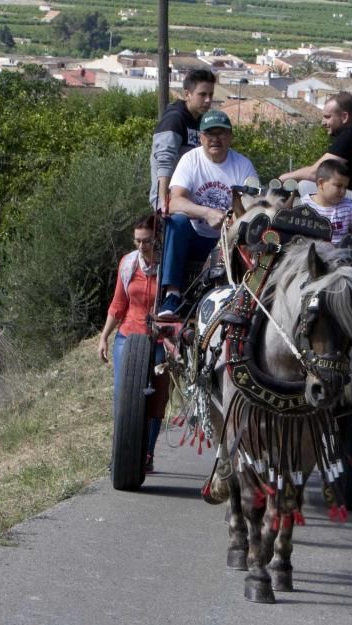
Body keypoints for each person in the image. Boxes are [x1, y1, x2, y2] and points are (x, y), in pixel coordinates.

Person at [157, 111, 257, 317]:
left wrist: (231, 223)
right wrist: (207, 213)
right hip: (194, 236)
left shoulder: (243, 165)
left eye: (221, 133)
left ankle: (247, 297)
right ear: (201, 138)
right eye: (210, 134)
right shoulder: (190, 160)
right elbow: (174, 201)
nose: (215, 139)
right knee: (176, 221)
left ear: (230, 137)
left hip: (228, 241)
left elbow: (252, 209)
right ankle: (172, 295)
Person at [99, 215, 170, 473]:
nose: (142, 246)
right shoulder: (128, 264)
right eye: (138, 241)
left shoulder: (168, 265)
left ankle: (147, 453)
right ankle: (121, 455)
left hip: (161, 339)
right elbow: (119, 304)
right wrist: (104, 336)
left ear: (157, 239)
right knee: (124, 396)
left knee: (156, 397)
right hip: (128, 335)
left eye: (147, 241)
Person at [279, 91, 352, 227]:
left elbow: (316, 172)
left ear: (344, 117)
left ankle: (300, 225)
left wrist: (281, 179)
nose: (323, 123)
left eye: (327, 117)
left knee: (305, 184)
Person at [148, 68, 216, 212]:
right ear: (187, 94)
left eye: (210, 94)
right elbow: (165, 161)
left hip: (190, 202)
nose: (208, 100)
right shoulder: (174, 119)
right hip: (171, 206)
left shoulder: (201, 121)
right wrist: (164, 204)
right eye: (202, 94)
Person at [301, 159, 352, 246]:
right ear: (321, 183)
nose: (343, 191)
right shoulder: (304, 205)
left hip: (338, 255)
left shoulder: (348, 206)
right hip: (310, 254)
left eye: (345, 187)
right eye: (339, 186)